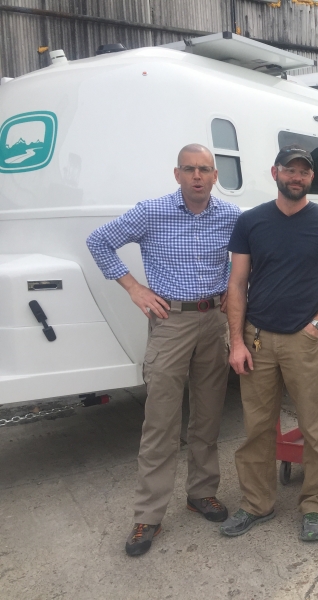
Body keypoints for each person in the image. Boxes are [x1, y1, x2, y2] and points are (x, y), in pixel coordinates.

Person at [86, 144, 242, 556]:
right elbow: (99, 241)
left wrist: (229, 284)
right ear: (177, 175)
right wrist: (135, 287)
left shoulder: (230, 216)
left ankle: (201, 493)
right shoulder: (151, 212)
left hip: (213, 322)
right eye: (189, 169)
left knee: (208, 416)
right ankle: (148, 515)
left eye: (204, 169)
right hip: (170, 323)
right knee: (160, 423)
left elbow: (244, 257)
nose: (196, 176)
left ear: (214, 176)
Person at [222, 145, 318, 542]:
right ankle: (256, 504)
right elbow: (237, 284)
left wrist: (317, 325)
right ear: (275, 172)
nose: (296, 177)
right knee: (257, 428)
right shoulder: (251, 222)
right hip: (257, 339)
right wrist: (236, 342)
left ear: (311, 178)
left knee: (315, 428)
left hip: (303, 340)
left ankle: (314, 506)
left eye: (303, 172)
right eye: (289, 170)